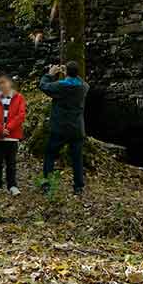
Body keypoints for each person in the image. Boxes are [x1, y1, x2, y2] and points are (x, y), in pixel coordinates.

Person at [40, 61, 90, 194]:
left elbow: (44, 86)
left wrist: (50, 74)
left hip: (59, 128)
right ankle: (78, 187)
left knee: (50, 155)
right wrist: (70, 72)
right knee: (77, 158)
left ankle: (47, 184)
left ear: (66, 73)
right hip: (76, 129)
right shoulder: (83, 88)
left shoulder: (60, 86)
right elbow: (84, 83)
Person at [0, 73, 26, 196]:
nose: (2, 85)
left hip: (12, 135)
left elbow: (21, 115)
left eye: (5, 82)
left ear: (10, 83)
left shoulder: (19, 98)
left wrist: (8, 128)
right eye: (0, 83)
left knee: (11, 162)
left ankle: (12, 185)